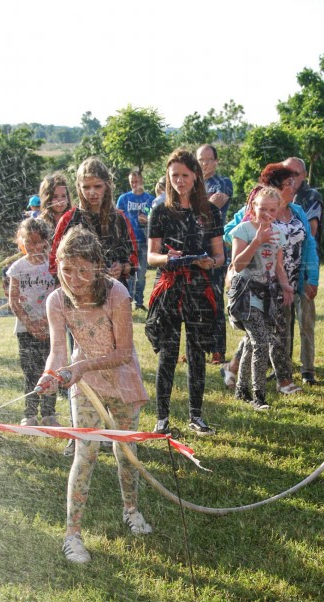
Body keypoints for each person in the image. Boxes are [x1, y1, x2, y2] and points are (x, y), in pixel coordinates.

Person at [36, 227, 151, 564]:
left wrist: (82, 366)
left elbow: (124, 353)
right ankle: (72, 536)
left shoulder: (117, 294)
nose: (73, 278)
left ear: (98, 266)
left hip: (121, 381)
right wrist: (49, 375)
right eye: (66, 269)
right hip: (84, 385)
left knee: (125, 451)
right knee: (85, 453)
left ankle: (131, 510)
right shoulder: (56, 299)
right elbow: (58, 352)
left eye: (83, 270)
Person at [146, 149, 224, 436]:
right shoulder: (160, 210)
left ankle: (196, 416)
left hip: (199, 288)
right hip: (169, 287)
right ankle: (162, 418)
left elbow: (220, 257)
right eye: (174, 175)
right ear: (168, 176)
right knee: (167, 353)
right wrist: (170, 258)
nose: (179, 180)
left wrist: (208, 261)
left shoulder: (210, 211)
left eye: (185, 175)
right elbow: (151, 257)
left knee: (196, 353)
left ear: (196, 176)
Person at [229, 187, 293, 410]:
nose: (267, 213)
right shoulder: (243, 230)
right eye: (262, 208)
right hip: (245, 296)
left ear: (278, 210)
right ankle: (259, 396)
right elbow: (237, 264)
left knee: (250, 343)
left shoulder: (279, 232)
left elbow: (277, 265)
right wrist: (257, 240)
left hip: (267, 295)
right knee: (261, 343)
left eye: (272, 209)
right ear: (253, 207)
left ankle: (241, 389)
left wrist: (286, 286)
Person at [50, 157, 137, 288]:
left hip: (114, 291)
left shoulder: (120, 218)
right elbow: (54, 262)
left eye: (97, 186)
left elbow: (134, 259)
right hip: (79, 292)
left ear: (107, 186)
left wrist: (122, 268)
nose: (92, 193)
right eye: (86, 187)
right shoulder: (69, 220)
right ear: (79, 188)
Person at [7, 218, 59, 427]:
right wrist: (30, 324)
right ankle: (29, 413)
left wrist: (46, 322)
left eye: (39, 242)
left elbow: (58, 294)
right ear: (21, 242)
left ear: (47, 242)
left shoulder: (52, 265)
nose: (35, 247)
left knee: (50, 370)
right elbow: (13, 300)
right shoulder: (17, 268)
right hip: (25, 329)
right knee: (30, 372)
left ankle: (48, 413)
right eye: (29, 242)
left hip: (50, 328)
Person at [283, 156, 323, 385]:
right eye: (288, 173)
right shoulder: (278, 195)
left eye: (296, 173)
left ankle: (307, 370)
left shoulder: (311, 197)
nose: (292, 178)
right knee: (284, 322)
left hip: (305, 267)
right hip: (284, 270)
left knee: (305, 322)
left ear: (304, 175)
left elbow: (311, 233)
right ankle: (284, 368)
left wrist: (312, 277)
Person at [196, 144, 233, 364]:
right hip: (194, 247)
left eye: (208, 159)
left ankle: (218, 349)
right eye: (200, 159)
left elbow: (212, 207)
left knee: (216, 300)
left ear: (216, 161)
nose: (204, 164)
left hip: (215, 247)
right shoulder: (191, 183)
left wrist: (195, 207)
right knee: (196, 300)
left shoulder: (223, 183)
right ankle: (200, 348)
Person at [116, 170, 154, 310]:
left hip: (144, 240)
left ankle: (139, 302)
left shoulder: (150, 199)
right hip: (128, 242)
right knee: (129, 273)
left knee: (142, 274)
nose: (134, 184)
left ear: (142, 181)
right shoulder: (123, 199)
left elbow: (155, 218)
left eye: (136, 181)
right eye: (132, 181)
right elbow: (117, 218)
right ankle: (128, 301)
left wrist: (147, 219)